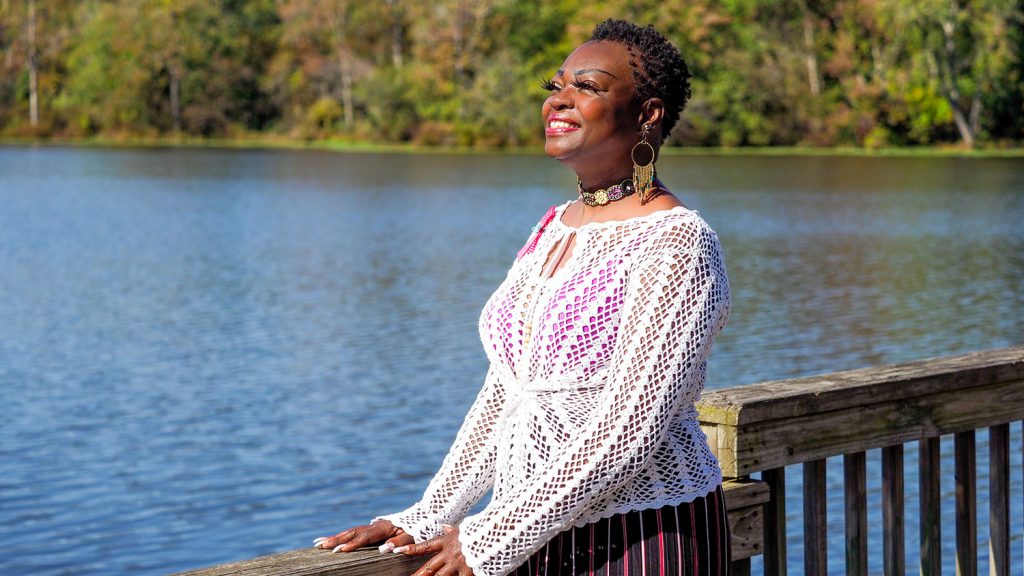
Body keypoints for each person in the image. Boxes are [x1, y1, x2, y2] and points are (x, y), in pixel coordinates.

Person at [314, 19, 732, 576]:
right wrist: (430, 514)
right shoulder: (552, 228)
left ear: (649, 114)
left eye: (587, 87)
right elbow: (508, 393)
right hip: (539, 533)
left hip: (641, 536)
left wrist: (494, 534)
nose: (559, 100)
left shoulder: (677, 242)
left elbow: (629, 429)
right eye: (554, 85)